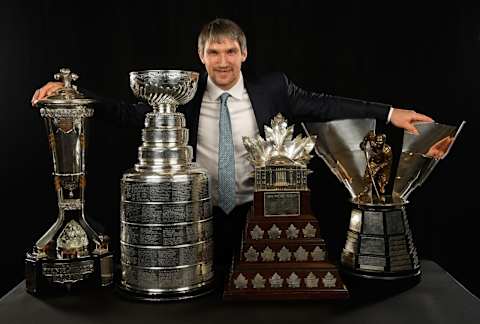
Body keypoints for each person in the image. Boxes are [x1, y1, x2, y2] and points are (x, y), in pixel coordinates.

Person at [31, 18, 434, 276]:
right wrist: (73, 94)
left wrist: (390, 113)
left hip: (254, 219)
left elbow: (327, 104)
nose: (222, 61)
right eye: (213, 52)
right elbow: (125, 112)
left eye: (230, 51)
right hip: (197, 218)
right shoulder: (181, 96)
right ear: (200, 56)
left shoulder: (273, 88)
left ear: (243, 53)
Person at [358, 130, 393, 203]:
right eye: (377, 142)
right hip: (374, 160)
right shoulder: (373, 140)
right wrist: (364, 143)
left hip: (384, 164)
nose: (378, 145)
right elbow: (368, 135)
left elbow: (387, 161)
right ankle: (366, 189)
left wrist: (378, 168)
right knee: (368, 175)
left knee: (383, 179)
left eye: (380, 143)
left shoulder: (387, 150)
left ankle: (382, 187)